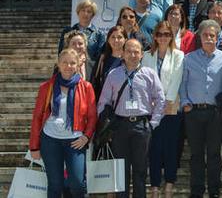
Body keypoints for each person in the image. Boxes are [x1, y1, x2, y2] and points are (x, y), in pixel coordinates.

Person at [97, 39, 165, 198]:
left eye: (136, 52)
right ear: (122, 53)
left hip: (142, 126)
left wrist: (153, 123)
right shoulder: (114, 74)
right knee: (122, 171)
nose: (133, 55)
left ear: (142, 54)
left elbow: (161, 99)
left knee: (140, 171)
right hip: (120, 126)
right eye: (129, 51)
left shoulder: (149, 74)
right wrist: (105, 124)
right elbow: (103, 101)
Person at [29, 49, 97, 198]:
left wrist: (86, 137)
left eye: (72, 63)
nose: (68, 66)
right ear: (58, 64)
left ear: (78, 65)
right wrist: (34, 146)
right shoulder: (46, 87)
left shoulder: (86, 87)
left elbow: (92, 117)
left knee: (78, 184)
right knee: (55, 184)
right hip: (50, 139)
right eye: (64, 62)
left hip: (75, 140)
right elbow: (37, 117)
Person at [180, 20, 222, 198]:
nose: (209, 38)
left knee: (214, 154)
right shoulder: (189, 58)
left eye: (212, 35)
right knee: (196, 155)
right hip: (193, 112)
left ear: (217, 38)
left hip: (215, 113)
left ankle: (214, 190)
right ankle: (197, 190)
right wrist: (184, 102)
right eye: (205, 35)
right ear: (200, 37)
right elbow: (183, 83)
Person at [142, 22, 185, 198]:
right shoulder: (146, 56)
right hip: (151, 107)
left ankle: (169, 183)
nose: (163, 37)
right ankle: (154, 185)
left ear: (171, 36)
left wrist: (166, 101)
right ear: (155, 36)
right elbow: (144, 80)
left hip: (171, 105)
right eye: (159, 34)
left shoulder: (178, 55)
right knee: (154, 147)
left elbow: (176, 79)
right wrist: (152, 102)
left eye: (167, 34)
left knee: (171, 146)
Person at [90, 25, 127, 100]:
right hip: (105, 105)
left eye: (119, 37)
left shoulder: (129, 59)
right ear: (108, 40)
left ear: (125, 40)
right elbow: (95, 83)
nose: (116, 40)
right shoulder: (102, 59)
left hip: (124, 104)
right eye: (113, 37)